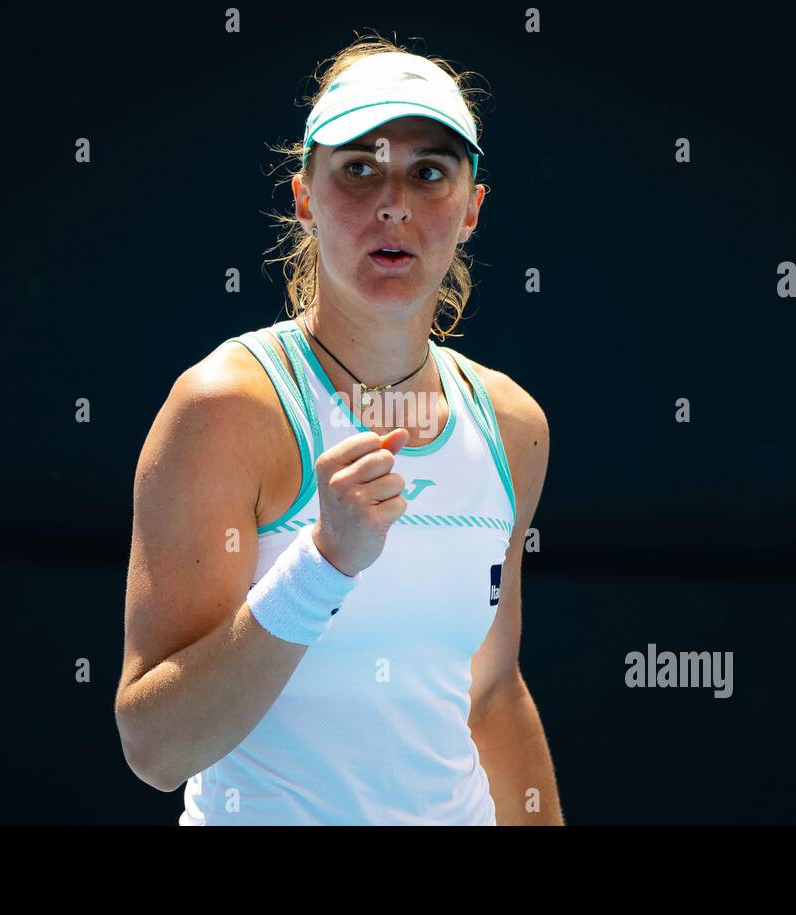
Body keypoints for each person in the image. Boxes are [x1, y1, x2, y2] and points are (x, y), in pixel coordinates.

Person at [115, 36, 560, 825]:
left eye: (429, 172)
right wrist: (323, 565)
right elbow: (156, 748)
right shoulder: (225, 407)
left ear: (471, 211)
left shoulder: (512, 424)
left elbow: (489, 693)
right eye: (359, 167)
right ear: (305, 198)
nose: (394, 202)